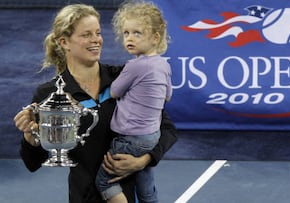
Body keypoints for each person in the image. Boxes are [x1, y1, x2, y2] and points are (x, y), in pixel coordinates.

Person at [13, 4, 177, 203]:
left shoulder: (122, 77)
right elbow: (32, 163)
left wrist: (143, 160)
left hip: (130, 194)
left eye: (98, 33)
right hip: (84, 197)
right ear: (64, 42)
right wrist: (31, 136)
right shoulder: (50, 94)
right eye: (86, 35)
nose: (96, 40)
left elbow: (166, 128)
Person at [95, 1, 172, 203]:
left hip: (132, 138)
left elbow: (114, 91)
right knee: (144, 183)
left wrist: (93, 100)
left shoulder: (134, 66)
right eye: (126, 33)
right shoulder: (163, 65)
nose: (129, 38)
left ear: (155, 38)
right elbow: (167, 96)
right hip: (152, 136)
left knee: (104, 181)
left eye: (137, 33)